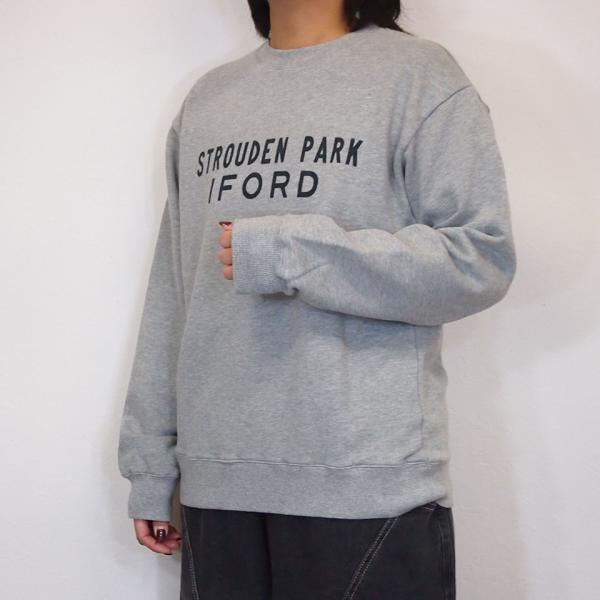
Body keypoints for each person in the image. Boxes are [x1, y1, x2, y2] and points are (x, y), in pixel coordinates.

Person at [117, 0, 517, 598]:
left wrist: (293, 252)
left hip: (365, 487)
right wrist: (150, 463)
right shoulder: (209, 98)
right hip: (217, 488)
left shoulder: (417, 75)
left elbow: (481, 258)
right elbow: (174, 292)